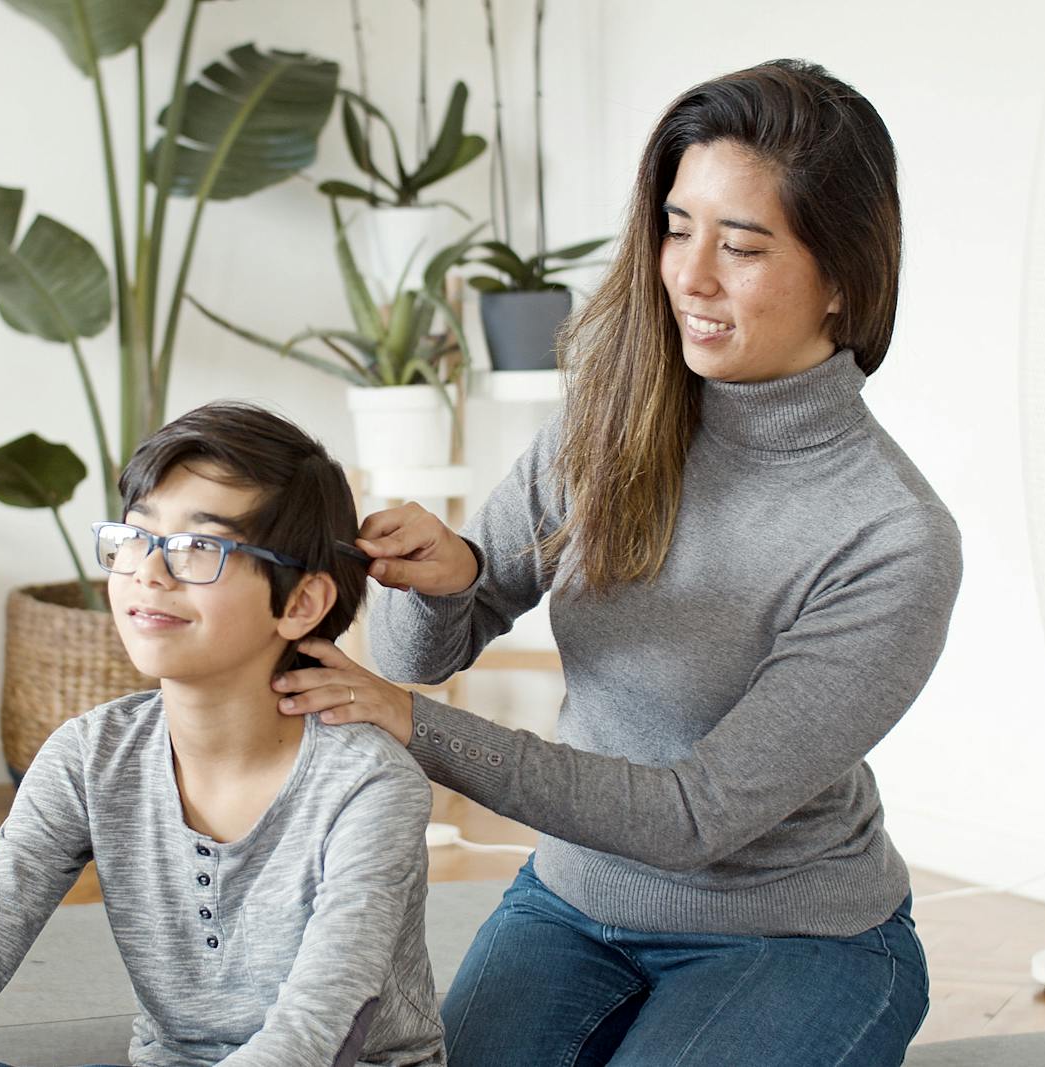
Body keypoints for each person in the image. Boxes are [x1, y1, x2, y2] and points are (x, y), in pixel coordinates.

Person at [272, 59, 961, 1066]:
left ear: (845, 275)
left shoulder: (891, 536)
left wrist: (411, 726)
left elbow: (694, 816)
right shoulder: (611, 414)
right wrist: (448, 573)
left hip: (792, 935)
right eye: (676, 228)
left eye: (741, 244)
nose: (690, 274)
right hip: (570, 902)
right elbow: (427, 651)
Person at [0, 401, 443, 1067]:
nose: (149, 572)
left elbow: (320, 1023)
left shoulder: (368, 783)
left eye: (200, 546)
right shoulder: (89, 755)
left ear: (300, 602)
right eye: (136, 537)